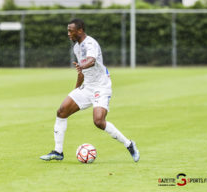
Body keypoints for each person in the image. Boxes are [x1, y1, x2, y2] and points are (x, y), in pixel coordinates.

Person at [40, 19, 140, 162]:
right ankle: (58, 152)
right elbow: (81, 72)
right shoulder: (76, 48)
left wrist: (82, 65)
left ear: (79, 30)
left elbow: (91, 60)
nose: (68, 34)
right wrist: (75, 92)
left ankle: (129, 144)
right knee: (61, 111)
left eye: (70, 30)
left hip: (101, 86)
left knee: (99, 121)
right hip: (87, 87)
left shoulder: (90, 43)